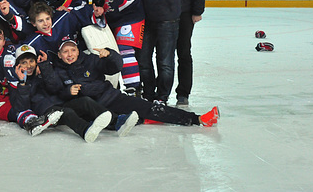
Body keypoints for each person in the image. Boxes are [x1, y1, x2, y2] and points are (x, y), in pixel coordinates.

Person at [43, 38, 219, 128]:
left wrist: (110, 55)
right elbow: (56, 90)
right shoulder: (58, 70)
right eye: (65, 52)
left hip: (111, 97)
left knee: (151, 108)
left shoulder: (90, 60)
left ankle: (197, 119)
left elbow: (116, 67)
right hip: (95, 109)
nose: (70, 54)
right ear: (59, 55)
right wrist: (68, 91)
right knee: (115, 120)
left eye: (72, 50)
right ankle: (143, 120)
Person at [10, 45, 132, 141]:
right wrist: (22, 83)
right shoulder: (16, 83)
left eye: (31, 61)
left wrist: (45, 68)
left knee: (85, 101)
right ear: (17, 65)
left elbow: (55, 87)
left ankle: (117, 122)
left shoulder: (43, 72)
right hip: (49, 113)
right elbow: (21, 107)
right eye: (24, 62)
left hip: (62, 103)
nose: (28, 65)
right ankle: (85, 130)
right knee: (67, 113)